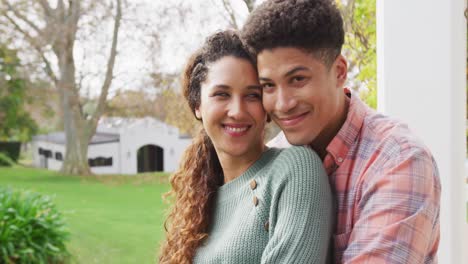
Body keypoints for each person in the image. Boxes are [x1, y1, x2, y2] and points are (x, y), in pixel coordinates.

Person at [241, 0, 441, 263]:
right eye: (268, 85)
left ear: (339, 71)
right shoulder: (274, 160)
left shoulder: (398, 159)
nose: (283, 104)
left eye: (298, 80)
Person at [158, 30, 333, 264]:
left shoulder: (295, 170)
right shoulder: (200, 195)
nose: (238, 111)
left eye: (252, 95)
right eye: (222, 94)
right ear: (197, 105)